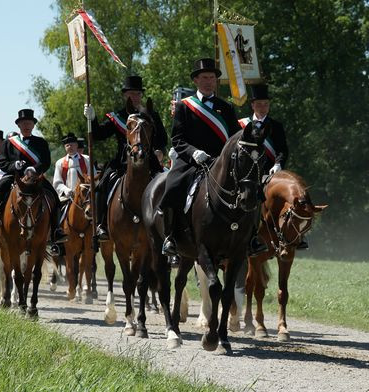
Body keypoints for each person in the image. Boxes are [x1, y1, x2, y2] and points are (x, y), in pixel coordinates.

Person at [159, 57, 268, 258]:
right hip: (191, 161)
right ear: (196, 81)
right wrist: (194, 153)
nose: (209, 81)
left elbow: (237, 137)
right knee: (172, 186)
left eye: (212, 77)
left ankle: (252, 237)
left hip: (221, 162)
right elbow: (177, 139)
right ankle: (171, 237)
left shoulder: (225, 107)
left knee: (254, 190)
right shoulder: (184, 106)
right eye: (204, 77)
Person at [83, 74, 167, 241]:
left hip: (148, 162)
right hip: (122, 163)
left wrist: (159, 150)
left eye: (137, 94)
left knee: (167, 184)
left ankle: (168, 230)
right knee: (101, 186)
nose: (134, 97)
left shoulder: (151, 115)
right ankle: (101, 225)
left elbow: (162, 139)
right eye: (131, 94)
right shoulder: (116, 117)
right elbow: (98, 135)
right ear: (125, 95)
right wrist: (91, 119)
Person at [0, 108, 67, 255]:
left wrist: (35, 169)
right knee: (1, 186)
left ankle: (56, 230)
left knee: (53, 195)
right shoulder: (9, 143)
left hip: (35, 178)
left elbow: (46, 162)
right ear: (19, 125)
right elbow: (3, 163)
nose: (27, 126)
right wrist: (14, 166)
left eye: (29, 123)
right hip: (15, 176)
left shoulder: (41, 142)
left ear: (33, 125)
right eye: (24, 123)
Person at [239, 83, 306, 250]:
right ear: (252, 105)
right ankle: (250, 234)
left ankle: (297, 234)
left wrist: (278, 164)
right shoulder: (241, 124)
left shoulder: (276, 126)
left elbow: (282, 149)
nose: (263, 107)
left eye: (266, 104)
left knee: (296, 191)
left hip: (270, 171)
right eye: (259, 104)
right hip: (247, 173)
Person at [52, 133, 94, 230]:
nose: (70, 147)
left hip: (86, 196)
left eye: (72, 144)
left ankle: (101, 228)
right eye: (67, 145)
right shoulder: (60, 162)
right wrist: (66, 190)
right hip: (68, 196)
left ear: (76, 145)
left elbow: (93, 176)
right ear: (64, 147)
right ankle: (57, 232)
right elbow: (57, 182)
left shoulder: (86, 159)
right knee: (55, 210)